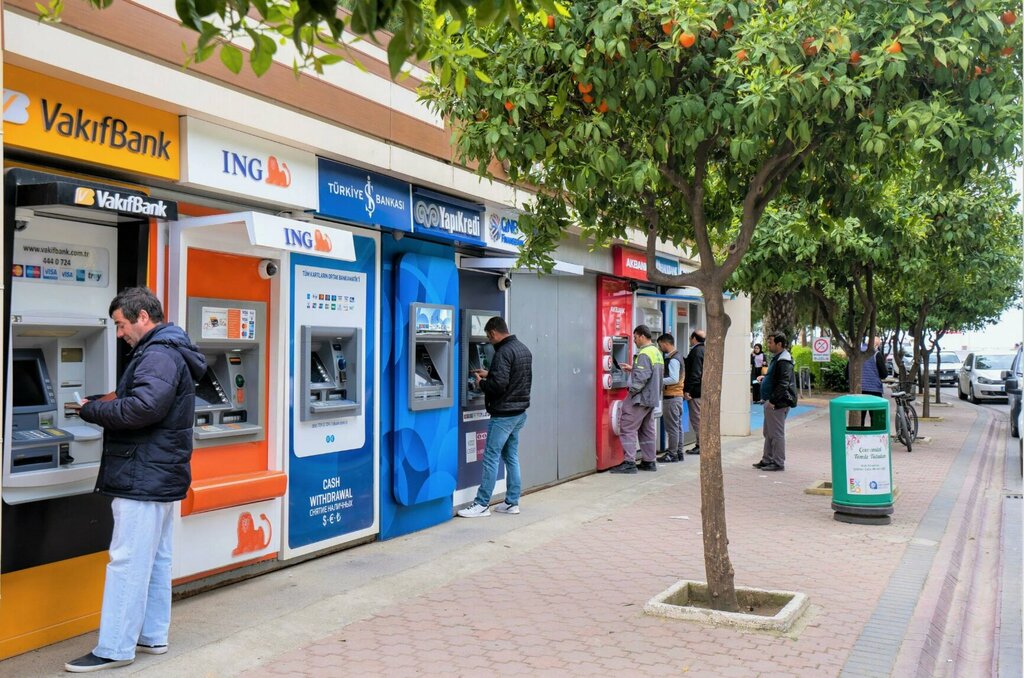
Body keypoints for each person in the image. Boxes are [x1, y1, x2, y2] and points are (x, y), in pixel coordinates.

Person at [65, 287, 207, 673]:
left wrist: (92, 413)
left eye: (121, 324)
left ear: (143, 316)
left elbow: (142, 409)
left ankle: (115, 648)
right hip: (159, 471)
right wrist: (100, 401)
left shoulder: (157, 354)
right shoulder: (168, 349)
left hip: (142, 473)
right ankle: (151, 635)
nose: (119, 333)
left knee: (127, 561)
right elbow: (140, 397)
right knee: (156, 559)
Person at [457, 316, 533, 517]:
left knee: (490, 457)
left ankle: (481, 504)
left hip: (503, 416)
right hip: (518, 413)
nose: (489, 342)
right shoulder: (523, 349)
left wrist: (480, 383)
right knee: (511, 457)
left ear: (492, 333)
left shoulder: (503, 352)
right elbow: (513, 379)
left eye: (489, 338)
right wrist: (490, 373)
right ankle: (512, 503)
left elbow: (498, 386)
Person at [610, 325, 664, 474]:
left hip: (640, 398)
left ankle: (629, 463)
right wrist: (632, 369)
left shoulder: (645, 353)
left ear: (642, 336)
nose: (634, 341)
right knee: (647, 430)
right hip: (651, 398)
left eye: (635, 337)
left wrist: (631, 391)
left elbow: (641, 378)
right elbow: (651, 373)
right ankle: (649, 461)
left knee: (627, 426)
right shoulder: (656, 352)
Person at [752, 332, 798, 472]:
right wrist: (765, 378)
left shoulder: (783, 360)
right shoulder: (779, 358)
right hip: (773, 402)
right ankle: (767, 459)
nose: (768, 344)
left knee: (776, 434)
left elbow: (783, 383)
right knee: (769, 432)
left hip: (777, 403)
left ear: (779, 344)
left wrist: (773, 401)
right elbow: (778, 378)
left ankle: (778, 462)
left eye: (771, 342)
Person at [656, 333, 686, 463]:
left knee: (672, 428)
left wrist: (658, 380)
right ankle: (679, 452)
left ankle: (672, 454)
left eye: (660, 345)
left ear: (665, 343)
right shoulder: (678, 356)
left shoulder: (673, 359)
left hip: (672, 397)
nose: (660, 348)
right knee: (678, 427)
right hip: (677, 396)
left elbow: (674, 379)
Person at [683, 330, 705, 455]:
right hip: (702, 390)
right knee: (700, 418)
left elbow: (695, 373)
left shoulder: (696, 351)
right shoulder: (704, 350)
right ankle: (701, 444)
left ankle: (701, 445)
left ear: (694, 338)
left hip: (696, 392)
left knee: (697, 419)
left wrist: (688, 390)